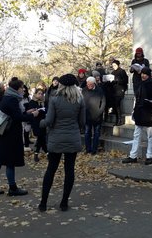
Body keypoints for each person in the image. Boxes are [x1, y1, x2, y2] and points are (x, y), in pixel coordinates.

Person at [38, 74, 86, 212]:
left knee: (51, 169)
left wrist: (40, 123)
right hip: (72, 138)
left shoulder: (54, 99)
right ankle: (64, 203)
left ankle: (43, 203)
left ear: (62, 85)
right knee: (69, 170)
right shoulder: (80, 100)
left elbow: (49, 121)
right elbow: (82, 122)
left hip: (56, 139)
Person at [0, 78, 37, 196]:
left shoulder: (8, 97)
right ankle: (12, 188)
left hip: (5, 133)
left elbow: (15, 115)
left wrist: (27, 113)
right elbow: (17, 117)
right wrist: (32, 115)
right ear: (17, 89)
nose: (23, 90)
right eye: (22, 88)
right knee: (10, 161)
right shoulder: (12, 99)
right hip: (11, 134)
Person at [122, 67, 152, 165]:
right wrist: (134, 112)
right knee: (136, 135)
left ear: (149, 75)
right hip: (139, 112)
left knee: (150, 136)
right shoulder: (139, 84)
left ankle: (149, 156)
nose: (143, 75)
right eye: (142, 74)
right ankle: (133, 155)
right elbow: (137, 99)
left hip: (149, 113)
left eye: (145, 74)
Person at [82, 77, 106, 155]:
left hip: (97, 115)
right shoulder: (84, 90)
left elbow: (103, 102)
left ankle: (94, 150)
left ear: (93, 83)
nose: (88, 85)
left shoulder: (99, 90)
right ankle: (88, 149)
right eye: (87, 84)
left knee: (96, 133)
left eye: (90, 84)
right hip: (87, 115)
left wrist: (99, 112)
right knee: (87, 132)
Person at [28, 88, 47, 162]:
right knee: (41, 138)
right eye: (39, 93)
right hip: (36, 123)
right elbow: (30, 112)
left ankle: (37, 154)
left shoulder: (43, 102)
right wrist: (37, 110)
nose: (40, 95)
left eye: (42, 94)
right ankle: (47, 152)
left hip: (43, 122)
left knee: (41, 138)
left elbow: (45, 111)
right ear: (35, 94)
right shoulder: (32, 102)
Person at [110, 60, 129, 126]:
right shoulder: (112, 72)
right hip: (114, 90)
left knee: (117, 105)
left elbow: (125, 80)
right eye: (113, 66)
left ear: (118, 65)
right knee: (115, 105)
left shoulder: (122, 71)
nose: (114, 67)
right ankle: (117, 120)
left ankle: (119, 120)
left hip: (120, 90)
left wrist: (117, 81)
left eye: (115, 65)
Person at [21, 85, 32, 151]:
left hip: (27, 115)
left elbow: (30, 106)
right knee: (22, 130)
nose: (23, 91)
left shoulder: (28, 98)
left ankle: (27, 143)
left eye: (25, 90)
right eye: (22, 90)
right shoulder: (18, 98)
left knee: (27, 130)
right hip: (21, 116)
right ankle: (24, 144)